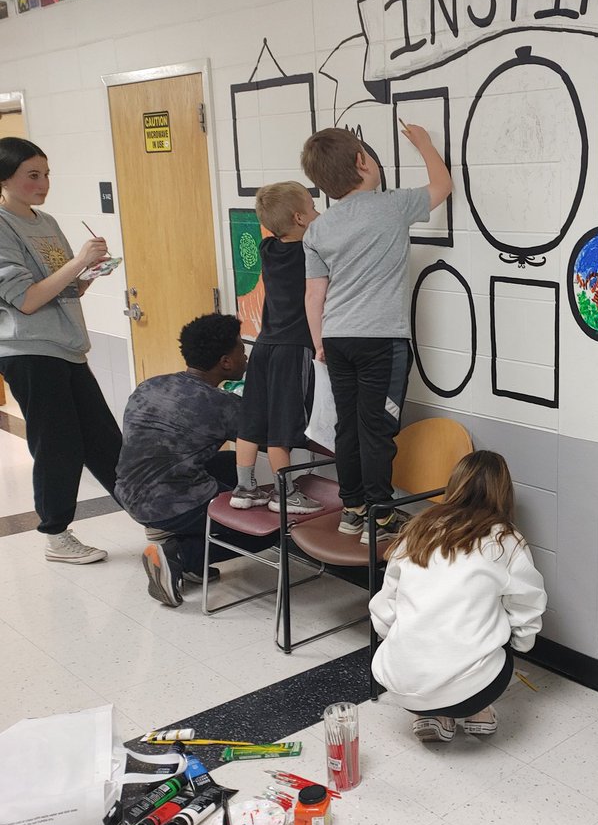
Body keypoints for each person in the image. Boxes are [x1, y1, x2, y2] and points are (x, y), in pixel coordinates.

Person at [302, 125, 452, 545]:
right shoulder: (393, 205)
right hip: (381, 342)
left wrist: (318, 344)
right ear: (363, 162)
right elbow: (442, 186)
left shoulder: (318, 229)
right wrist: (424, 144)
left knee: (347, 427)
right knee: (377, 428)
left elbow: (314, 295)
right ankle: (381, 517)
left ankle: (353, 510)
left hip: (336, 338)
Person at [0, 136, 122, 564]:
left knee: (104, 439)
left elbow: (65, 288)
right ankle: (56, 533)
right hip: (28, 350)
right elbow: (28, 299)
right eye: (33, 175)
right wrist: (76, 263)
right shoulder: (1, 225)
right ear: (5, 179)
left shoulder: (46, 220)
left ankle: (150, 510)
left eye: (47, 174)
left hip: (66, 344)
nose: (44, 183)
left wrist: (89, 271)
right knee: (58, 445)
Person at [368, 450, 546, 743]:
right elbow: (527, 606)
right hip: (473, 690)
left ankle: (432, 715)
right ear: (504, 492)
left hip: (400, 684)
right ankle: (479, 713)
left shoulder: (417, 529)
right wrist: (520, 643)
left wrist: (402, 643)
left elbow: (386, 605)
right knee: (503, 633)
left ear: (454, 485)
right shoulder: (506, 540)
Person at [116, 314, 274, 607]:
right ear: (226, 362)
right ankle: (179, 557)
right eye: (241, 349)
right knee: (269, 530)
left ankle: (179, 536)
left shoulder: (150, 385)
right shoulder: (221, 405)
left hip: (128, 491)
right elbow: (269, 436)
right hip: (167, 502)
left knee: (228, 462)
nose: (246, 355)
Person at [229, 181, 323, 516]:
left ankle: (244, 487)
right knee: (282, 425)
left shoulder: (268, 249)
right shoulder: (309, 253)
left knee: (252, 417)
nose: (318, 213)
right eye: (312, 209)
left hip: (263, 347)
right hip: (292, 348)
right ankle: (285, 492)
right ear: (299, 218)